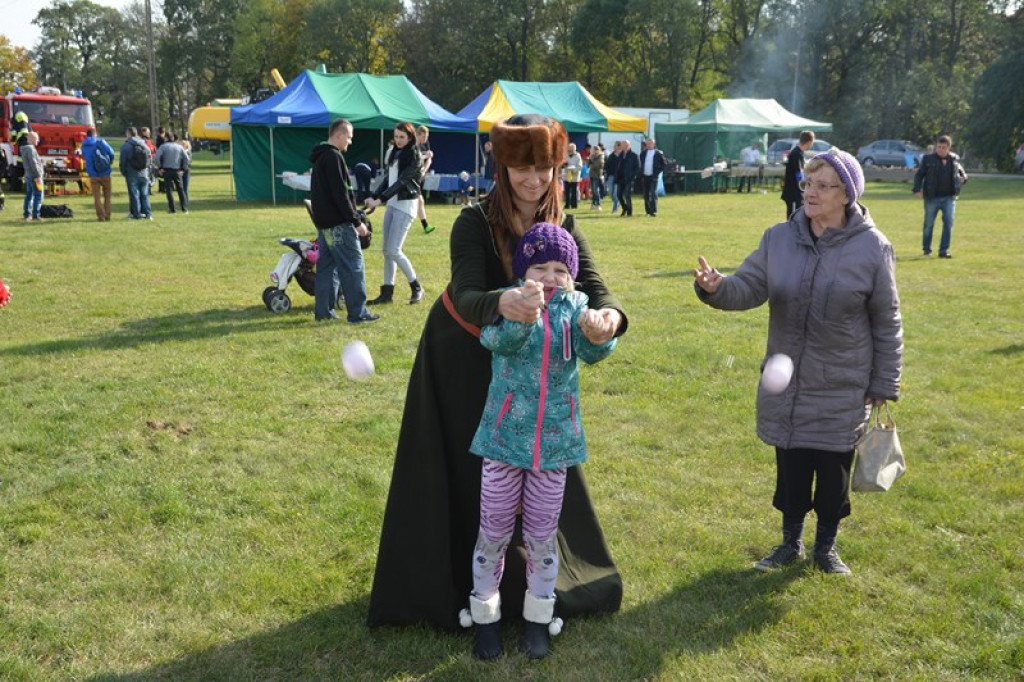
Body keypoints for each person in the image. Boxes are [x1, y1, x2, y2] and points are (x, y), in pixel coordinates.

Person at [367, 113, 628, 633]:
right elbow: (464, 292)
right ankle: (466, 591)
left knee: (538, 481)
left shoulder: (566, 226)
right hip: (462, 358)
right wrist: (502, 300)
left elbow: (597, 289)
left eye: (545, 168)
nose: (534, 180)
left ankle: (530, 594)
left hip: (536, 381)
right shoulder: (473, 221)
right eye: (522, 167)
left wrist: (610, 319)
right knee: (476, 481)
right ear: (502, 165)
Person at [693, 149, 903, 576]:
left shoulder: (873, 248)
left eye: (823, 186)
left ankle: (826, 547)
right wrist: (716, 287)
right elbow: (748, 287)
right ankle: (790, 543)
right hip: (786, 383)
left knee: (831, 474)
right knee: (790, 470)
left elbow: (887, 320)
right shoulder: (779, 238)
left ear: (847, 195)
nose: (811, 193)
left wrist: (884, 381)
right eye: (809, 184)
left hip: (842, 385)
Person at [466, 222, 617, 661]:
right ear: (522, 272)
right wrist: (521, 317)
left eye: (559, 269)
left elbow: (594, 353)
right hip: (502, 444)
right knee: (492, 534)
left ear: (571, 276)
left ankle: (537, 619)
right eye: (540, 268)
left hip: (554, 449)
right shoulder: (509, 305)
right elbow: (493, 340)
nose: (550, 278)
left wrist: (598, 333)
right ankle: (484, 617)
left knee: (541, 538)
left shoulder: (576, 309)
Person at [309, 118, 377, 324]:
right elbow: (341, 195)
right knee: (353, 267)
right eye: (349, 137)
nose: (350, 142)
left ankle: (324, 312)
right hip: (339, 225)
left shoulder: (320, 157)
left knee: (326, 269)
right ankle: (358, 313)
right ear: (339, 135)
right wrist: (356, 222)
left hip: (324, 224)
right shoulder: (333, 157)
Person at [364, 122, 426, 305]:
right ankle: (387, 293)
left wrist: (379, 199)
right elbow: (388, 179)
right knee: (387, 251)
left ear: (410, 137)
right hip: (392, 205)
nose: (398, 140)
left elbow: (401, 182)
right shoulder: (393, 151)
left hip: (405, 206)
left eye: (402, 137)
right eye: (396, 136)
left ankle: (416, 287)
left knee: (393, 250)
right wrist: (374, 195)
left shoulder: (415, 156)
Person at [913, 134, 968, 258]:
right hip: (932, 197)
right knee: (929, 224)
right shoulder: (928, 159)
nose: (940, 149)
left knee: (948, 222)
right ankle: (927, 250)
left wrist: (964, 178)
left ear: (949, 148)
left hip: (949, 197)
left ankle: (944, 251)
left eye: (943, 147)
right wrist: (917, 189)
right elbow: (919, 175)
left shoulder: (954, 159)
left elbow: (961, 171)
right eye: (939, 147)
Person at [81, 128, 116, 221]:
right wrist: (110, 161)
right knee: (107, 196)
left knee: (96, 197)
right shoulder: (101, 142)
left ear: (87, 135)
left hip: (93, 174)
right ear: (95, 134)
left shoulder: (84, 145)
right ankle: (107, 215)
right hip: (105, 172)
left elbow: (84, 156)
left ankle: (101, 216)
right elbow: (112, 153)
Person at [119, 127, 153, 220]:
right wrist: (149, 171)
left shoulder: (126, 146)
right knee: (145, 194)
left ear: (128, 134)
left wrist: (123, 172)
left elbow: (123, 161)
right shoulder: (144, 144)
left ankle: (136, 214)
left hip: (132, 173)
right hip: (144, 173)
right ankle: (148, 213)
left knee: (134, 195)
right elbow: (150, 158)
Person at [781, 131, 814, 218]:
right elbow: (798, 173)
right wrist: (803, 187)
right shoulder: (796, 154)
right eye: (812, 143)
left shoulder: (798, 153)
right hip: (793, 193)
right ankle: (791, 231)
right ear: (810, 142)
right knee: (793, 216)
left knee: (797, 216)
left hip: (796, 192)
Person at [154, 137, 189, 214]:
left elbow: (156, 158)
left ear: (166, 139)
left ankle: (172, 209)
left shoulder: (163, 146)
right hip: (177, 170)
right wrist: (183, 169)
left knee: (169, 190)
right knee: (180, 190)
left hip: (167, 170)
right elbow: (186, 158)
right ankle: (184, 208)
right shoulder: (179, 147)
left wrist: (160, 167)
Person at [414, 125, 437, 234]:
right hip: (408, 177)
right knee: (418, 201)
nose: (425, 139)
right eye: (423, 136)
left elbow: (429, 161)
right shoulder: (412, 145)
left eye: (427, 136)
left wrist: (424, 170)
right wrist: (425, 156)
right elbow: (414, 159)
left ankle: (426, 226)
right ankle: (425, 225)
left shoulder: (423, 146)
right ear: (417, 135)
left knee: (419, 201)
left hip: (416, 177)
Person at [638, 137, 666, 216]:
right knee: (646, 194)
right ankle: (647, 211)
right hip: (645, 176)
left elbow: (664, 164)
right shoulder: (643, 153)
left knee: (653, 193)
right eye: (647, 143)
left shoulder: (658, 153)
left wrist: (657, 172)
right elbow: (641, 164)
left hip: (653, 177)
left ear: (654, 144)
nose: (649, 145)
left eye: (650, 143)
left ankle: (653, 211)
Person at [20, 131, 44, 222]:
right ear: (32, 139)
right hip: (35, 176)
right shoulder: (31, 149)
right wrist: (38, 175)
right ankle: (36, 215)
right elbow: (33, 163)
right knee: (38, 195)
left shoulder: (25, 149)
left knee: (29, 195)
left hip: (28, 175)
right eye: (37, 139)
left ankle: (27, 215)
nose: (38, 141)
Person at [615, 140, 639, 217]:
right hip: (620, 178)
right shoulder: (620, 155)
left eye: (622, 145)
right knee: (618, 195)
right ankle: (625, 208)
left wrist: (633, 177)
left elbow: (638, 167)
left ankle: (629, 212)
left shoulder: (634, 155)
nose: (621, 146)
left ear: (627, 145)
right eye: (621, 145)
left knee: (627, 195)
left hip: (629, 179)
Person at [562, 143, 582, 209]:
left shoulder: (578, 156)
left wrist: (573, 170)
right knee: (567, 191)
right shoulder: (565, 155)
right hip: (567, 176)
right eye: (569, 150)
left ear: (574, 149)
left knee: (574, 192)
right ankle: (567, 205)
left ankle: (574, 205)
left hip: (574, 177)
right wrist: (563, 165)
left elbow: (579, 166)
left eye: (571, 150)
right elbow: (562, 164)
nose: (569, 151)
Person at [605, 141, 621, 214]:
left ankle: (615, 208)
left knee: (615, 193)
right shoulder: (611, 155)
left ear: (619, 147)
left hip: (619, 177)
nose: (614, 147)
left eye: (615, 146)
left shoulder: (622, 156)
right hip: (611, 176)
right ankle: (618, 201)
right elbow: (607, 165)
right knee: (610, 192)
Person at [589, 144, 605, 210]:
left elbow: (597, 165)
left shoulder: (601, 156)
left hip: (597, 175)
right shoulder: (592, 156)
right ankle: (593, 204)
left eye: (595, 150)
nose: (594, 151)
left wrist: (591, 163)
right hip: (592, 175)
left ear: (598, 150)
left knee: (596, 190)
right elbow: (588, 164)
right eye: (593, 150)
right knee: (593, 190)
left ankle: (598, 204)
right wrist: (590, 159)